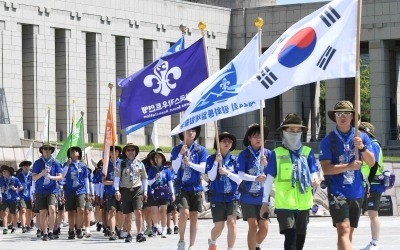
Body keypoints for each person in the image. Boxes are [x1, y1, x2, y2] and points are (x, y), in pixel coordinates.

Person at [319, 100, 375, 250]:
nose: (342, 116)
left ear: (352, 117)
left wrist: (362, 148)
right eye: (339, 114)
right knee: (343, 228)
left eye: (346, 113)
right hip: (337, 191)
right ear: (335, 117)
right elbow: (327, 169)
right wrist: (349, 166)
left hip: (356, 191)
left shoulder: (362, 137)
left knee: (348, 232)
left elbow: (371, 162)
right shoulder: (328, 140)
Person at [260, 113, 320, 250]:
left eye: (298, 130)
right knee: (290, 239)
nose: (295, 133)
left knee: (300, 241)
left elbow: (313, 171)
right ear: (284, 132)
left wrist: (315, 178)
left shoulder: (307, 151)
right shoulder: (276, 153)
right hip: (285, 204)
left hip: (304, 204)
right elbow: (269, 180)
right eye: (291, 130)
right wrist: (265, 203)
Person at [171, 126, 208, 250]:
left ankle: (192, 245)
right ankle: (181, 240)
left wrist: (190, 164)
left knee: (193, 216)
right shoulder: (177, 149)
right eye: (188, 130)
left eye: (193, 130)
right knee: (184, 213)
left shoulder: (200, 149)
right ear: (183, 133)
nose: (191, 132)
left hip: (196, 187)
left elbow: (204, 168)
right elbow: (175, 167)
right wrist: (180, 155)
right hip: (182, 187)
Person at [237, 123, 271, 250]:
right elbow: (240, 174)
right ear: (249, 138)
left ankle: (255, 245)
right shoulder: (244, 154)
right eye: (255, 136)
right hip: (248, 196)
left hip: (263, 196)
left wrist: (265, 164)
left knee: (264, 228)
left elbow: (273, 174)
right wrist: (255, 178)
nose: (258, 139)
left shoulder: (268, 154)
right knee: (253, 225)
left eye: (260, 136)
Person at [205, 132, 242, 250]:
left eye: (229, 141)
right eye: (224, 141)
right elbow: (210, 177)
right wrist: (216, 162)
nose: (227, 143)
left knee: (231, 223)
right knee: (219, 226)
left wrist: (227, 173)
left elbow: (239, 179)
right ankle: (213, 241)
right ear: (218, 143)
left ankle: (230, 248)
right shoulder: (211, 159)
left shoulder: (235, 160)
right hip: (217, 197)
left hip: (232, 196)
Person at [114, 143, 148, 243]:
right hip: (125, 190)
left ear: (135, 152)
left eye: (132, 150)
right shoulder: (122, 164)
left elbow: (144, 178)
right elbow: (117, 178)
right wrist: (117, 190)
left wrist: (145, 191)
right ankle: (129, 233)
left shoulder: (140, 163)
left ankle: (140, 233)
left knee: (138, 212)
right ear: (125, 152)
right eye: (128, 150)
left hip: (137, 190)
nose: (130, 152)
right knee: (127, 214)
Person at [359, 122, 384, 250]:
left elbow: (372, 164)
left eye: (361, 131)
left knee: (373, 214)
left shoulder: (372, 145)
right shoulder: (373, 144)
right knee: (371, 213)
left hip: (373, 183)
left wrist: (367, 183)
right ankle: (373, 241)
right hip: (370, 182)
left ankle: (375, 242)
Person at [31, 144, 63, 241]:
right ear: (42, 150)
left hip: (52, 189)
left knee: (52, 209)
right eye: (45, 149)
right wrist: (43, 172)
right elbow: (34, 177)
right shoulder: (38, 163)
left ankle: (51, 231)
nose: (47, 151)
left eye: (49, 149)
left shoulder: (55, 162)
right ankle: (44, 232)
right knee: (43, 212)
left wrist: (51, 177)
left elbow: (60, 176)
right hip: (40, 190)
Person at [62, 146, 91, 239]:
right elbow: (62, 176)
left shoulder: (83, 165)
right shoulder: (66, 165)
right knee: (70, 212)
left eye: (76, 151)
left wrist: (88, 192)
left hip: (80, 190)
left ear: (79, 154)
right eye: (72, 151)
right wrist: (67, 165)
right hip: (69, 191)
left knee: (81, 210)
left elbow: (86, 179)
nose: (74, 153)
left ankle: (79, 228)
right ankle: (71, 230)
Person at [147, 149, 175, 238]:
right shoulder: (151, 169)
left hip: (164, 192)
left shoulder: (166, 170)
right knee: (154, 211)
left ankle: (164, 229)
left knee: (163, 211)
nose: (157, 159)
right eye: (155, 157)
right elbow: (149, 183)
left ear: (162, 158)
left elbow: (170, 182)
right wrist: (155, 178)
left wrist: (172, 193)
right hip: (154, 192)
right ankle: (155, 226)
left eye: (159, 157)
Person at [102, 145, 123, 240]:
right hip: (110, 192)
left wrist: (118, 175)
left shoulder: (122, 163)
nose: (114, 153)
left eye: (116, 151)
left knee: (121, 212)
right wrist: (114, 181)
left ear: (118, 153)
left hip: (121, 191)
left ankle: (120, 228)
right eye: (111, 152)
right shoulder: (106, 164)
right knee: (112, 211)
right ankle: (113, 231)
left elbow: (125, 179)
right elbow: (103, 181)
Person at [1, 165, 22, 234]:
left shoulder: (15, 179)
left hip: (13, 199)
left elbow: (21, 187)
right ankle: (5, 228)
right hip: (5, 199)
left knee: (14, 214)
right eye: (3, 171)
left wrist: (16, 189)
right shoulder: (2, 179)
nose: (3, 172)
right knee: (5, 213)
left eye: (5, 171)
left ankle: (14, 227)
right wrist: (2, 189)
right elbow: (1, 187)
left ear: (9, 172)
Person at [16, 161, 33, 233]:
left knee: (29, 211)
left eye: (27, 166)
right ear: (22, 167)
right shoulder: (19, 175)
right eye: (24, 166)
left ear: (29, 167)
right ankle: (23, 226)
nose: (26, 167)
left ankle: (28, 225)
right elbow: (16, 184)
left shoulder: (32, 175)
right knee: (23, 210)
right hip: (22, 195)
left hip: (30, 195)